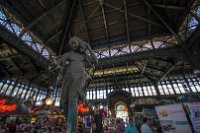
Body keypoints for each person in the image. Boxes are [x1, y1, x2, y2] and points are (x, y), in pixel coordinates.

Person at [54, 36, 98, 133]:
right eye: (71, 44)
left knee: (72, 101)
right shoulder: (68, 54)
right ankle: (71, 124)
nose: (73, 45)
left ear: (79, 43)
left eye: (74, 43)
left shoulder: (84, 56)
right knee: (64, 103)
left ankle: (70, 129)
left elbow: (95, 60)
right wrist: (56, 65)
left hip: (79, 77)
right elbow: (58, 62)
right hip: (68, 78)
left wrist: (89, 48)